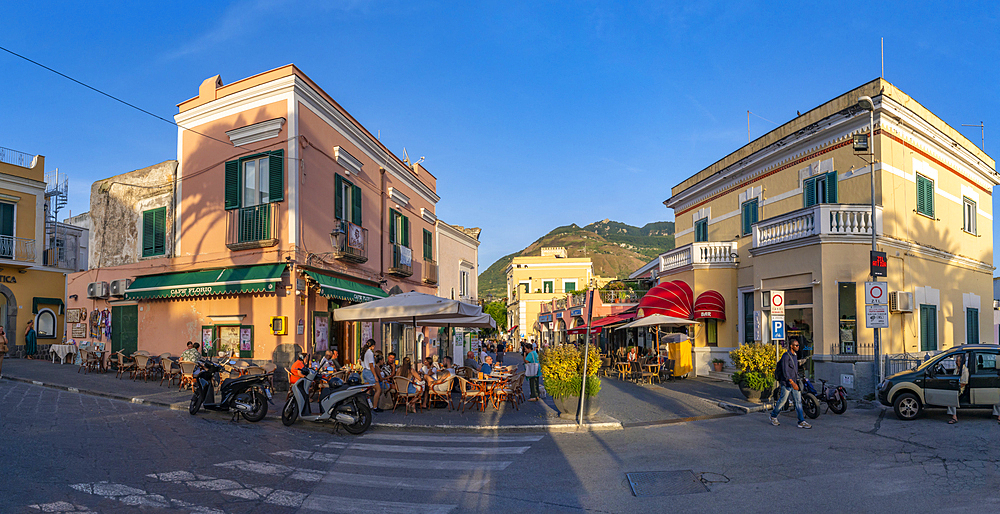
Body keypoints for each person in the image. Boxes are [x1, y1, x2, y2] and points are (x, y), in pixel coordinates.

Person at [769, 340, 811, 429]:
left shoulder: (795, 356)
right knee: (782, 401)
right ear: (791, 346)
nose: (798, 347)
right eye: (796, 345)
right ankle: (773, 416)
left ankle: (801, 421)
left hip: (795, 383)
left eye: (798, 345)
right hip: (787, 383)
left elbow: (794, 370)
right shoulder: (785, 357)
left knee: (798, 402)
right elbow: (785, 372)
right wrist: (792, 382)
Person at [361, 339, 384, 412]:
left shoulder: (363, 352)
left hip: (364, 371)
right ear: (372, 346)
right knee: (378, 389)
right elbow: (371, 366)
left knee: (368, 390)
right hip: (369, 372)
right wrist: (375, 376)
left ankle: (367, 405)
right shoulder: (370, 353)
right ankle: (375, 407)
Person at [947, 353, 969, 424]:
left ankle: (954, 417)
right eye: (956, 361)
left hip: (960, 389)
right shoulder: (957, 368)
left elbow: (964, 383)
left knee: (951, 397)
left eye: (958, 361)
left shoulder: (964, 370)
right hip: (955, 387)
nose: (956, 362)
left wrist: (956, 388)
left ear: (962, 361)